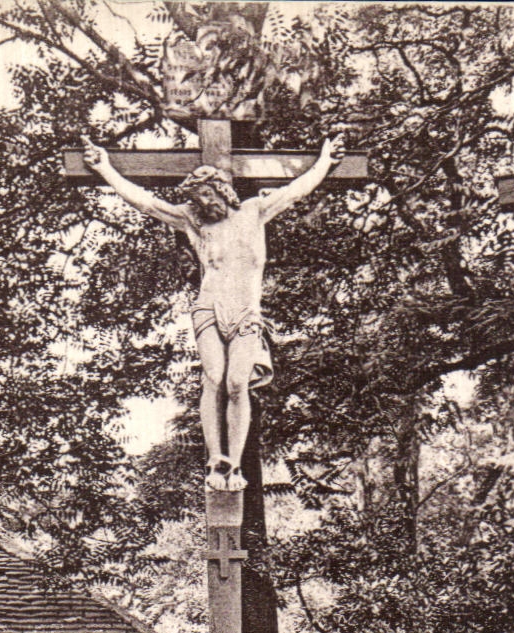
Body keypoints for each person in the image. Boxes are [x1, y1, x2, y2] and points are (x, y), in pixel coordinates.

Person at [81, 133, 341, 491]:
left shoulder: (253, 212)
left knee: (237, 383)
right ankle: (215, 458)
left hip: (246, 313)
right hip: (208, 308)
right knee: (214, 377)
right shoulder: (195, 221)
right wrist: (105, 168)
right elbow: (146, 203)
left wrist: (325, 160)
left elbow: (297, 190)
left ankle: (235, 464)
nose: (203, 203)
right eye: (197, 199)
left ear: (221, 189)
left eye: (206, 194)